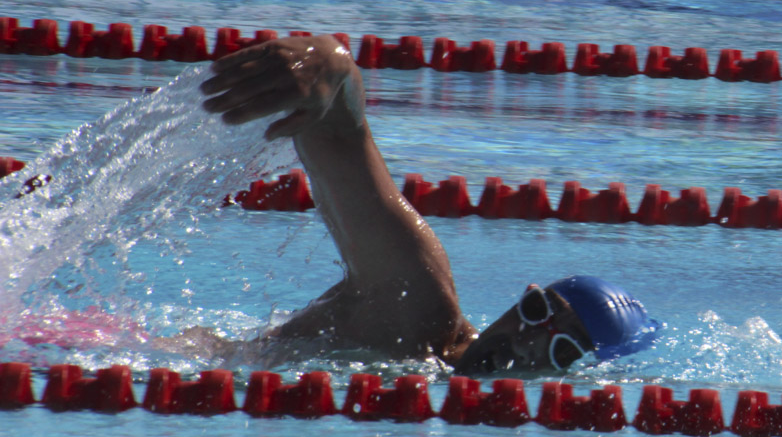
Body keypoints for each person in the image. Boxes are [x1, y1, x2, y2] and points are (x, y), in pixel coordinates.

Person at [199, 34, 658, 374]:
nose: (527, 340)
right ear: (525, 295)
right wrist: (331, 67)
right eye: (537, 311)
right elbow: (341, 133)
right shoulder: (417, 311)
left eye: (564, 350)